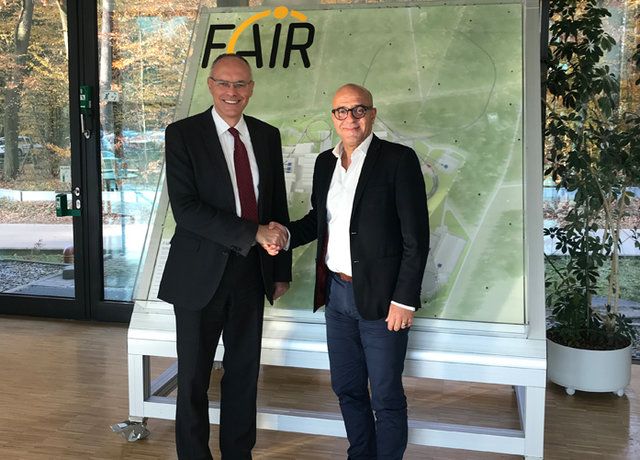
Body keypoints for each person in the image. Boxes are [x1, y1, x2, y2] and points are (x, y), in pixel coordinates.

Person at [266, 84, 429, 459]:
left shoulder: (398, 160)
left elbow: (415, 238)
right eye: (342, 111)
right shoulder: (325, 163)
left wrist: (404, 300)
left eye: (358, 110)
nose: (350, 118)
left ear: (372, 114)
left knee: (386, 396)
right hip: (337, 296)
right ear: (333, 116)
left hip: (384, 301)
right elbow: (319, 221)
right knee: (347, 388)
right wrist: (285, 234)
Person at [157, 53, 291, 460]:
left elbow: (276, 207)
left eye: (241, 85)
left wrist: (279, 267)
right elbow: (187, 209)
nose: (232, 93)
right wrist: (252, 232)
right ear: (210, 85)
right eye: (225, 84)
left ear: (251, 89)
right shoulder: (182, 134)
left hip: (251, 273)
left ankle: (238, 454)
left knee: (244, 374)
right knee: (194, 379)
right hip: (199, 276)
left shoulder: (267, 135)